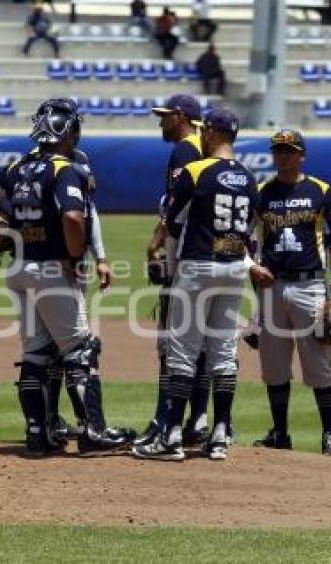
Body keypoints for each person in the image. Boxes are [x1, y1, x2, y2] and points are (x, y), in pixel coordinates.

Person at [0, 98, 133, 457]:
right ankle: (93, 431)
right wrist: (74, 257)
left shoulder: (18, 166)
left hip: (19, 269)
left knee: (36, 353)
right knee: (80, 350)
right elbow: (74, 218)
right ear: (69, 132)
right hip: (52, 271)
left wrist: (9, 226)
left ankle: (37, 434)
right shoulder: (64, 168)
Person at [132, 109, 272, 462]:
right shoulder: (250, 177)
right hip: (234, 268)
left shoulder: (196, 170)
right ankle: (220, 434)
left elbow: (172, 220)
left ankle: (172, 436)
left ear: (209, 132)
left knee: (184, 350)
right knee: (223, 351)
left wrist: (158, 249)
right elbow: (252, 231)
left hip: (198, 265)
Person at [250, 129, 331, 457]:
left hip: (310, 286)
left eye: (289, 151)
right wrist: (251, 271)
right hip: (270, 287)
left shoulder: (321, 191)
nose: (283, 156)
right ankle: (280, 434)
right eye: (278, 151)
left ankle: (330, 435)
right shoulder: (260, 193)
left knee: (318, 364)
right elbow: (245, 239)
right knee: (273, 367)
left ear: (301, 155)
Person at [133, 94, 212, 452]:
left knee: (173, 342)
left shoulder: (185, 150)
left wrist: (159, 245)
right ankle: (198, 418)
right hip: (211, 253)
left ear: (180, 116)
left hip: (184, 255)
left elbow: (177, 206)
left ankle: (165, 420)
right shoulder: (209, 148)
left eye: (165, 116)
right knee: (204, 341)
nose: (161, 122)